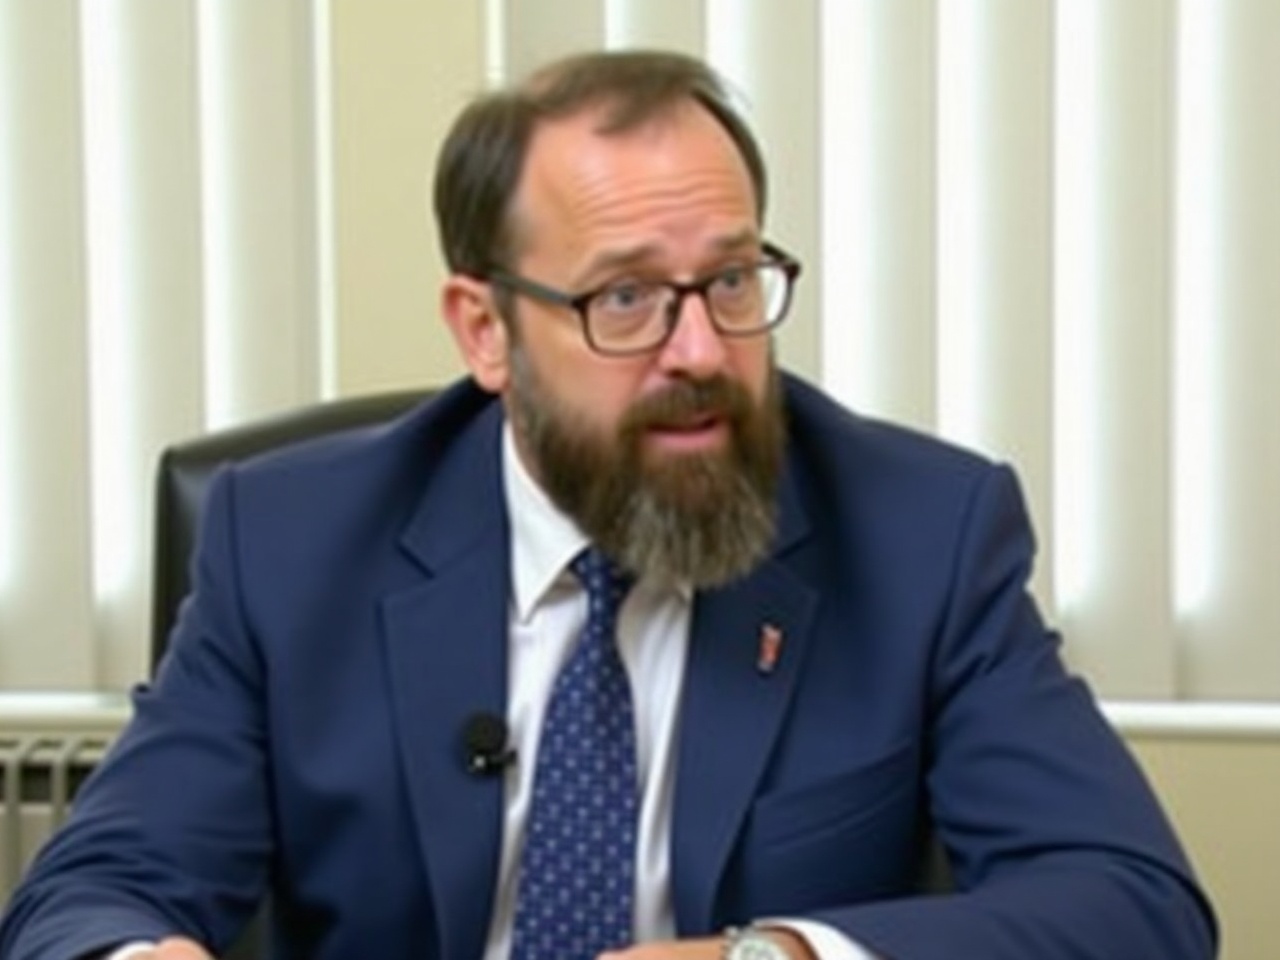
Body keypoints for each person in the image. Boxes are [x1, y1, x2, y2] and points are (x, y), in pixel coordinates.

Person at [0, 49, 1215, 960]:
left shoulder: (919, 534)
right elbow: (94, 888)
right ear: (485, 329)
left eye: (730, 280)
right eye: (623, 300)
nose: (698, 348)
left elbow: (1130, 900)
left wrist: (773, 958)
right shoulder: (291, 545)